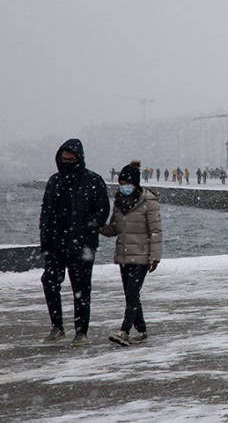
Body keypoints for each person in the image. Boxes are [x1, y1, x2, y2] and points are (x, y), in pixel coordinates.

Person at [39, 138, 111, 346]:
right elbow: (45, 211)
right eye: (64, 158)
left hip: (82, 245)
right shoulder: (54, 181)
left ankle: (81, 332)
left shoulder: (93, 181)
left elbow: (102, 209)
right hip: (55, 244)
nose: (68, 162)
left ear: (79, 159)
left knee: (81, 289)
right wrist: (45, 237)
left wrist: (91, 226)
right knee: (49, 281)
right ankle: (57, 326)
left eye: (72, 159)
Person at [101, 161, 163, 346]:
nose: (124, 187)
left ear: (136, 184)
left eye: (128, 184)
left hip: (141, 256)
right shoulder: (119, 203)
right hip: (124, 256)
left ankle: (125, 331)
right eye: (122, 183)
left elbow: (156, 231)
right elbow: (114, 229)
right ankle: (142, 331)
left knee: (132, 292)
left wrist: (155, 257)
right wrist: (96, 226)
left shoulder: (149, 202)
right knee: (131, 295)